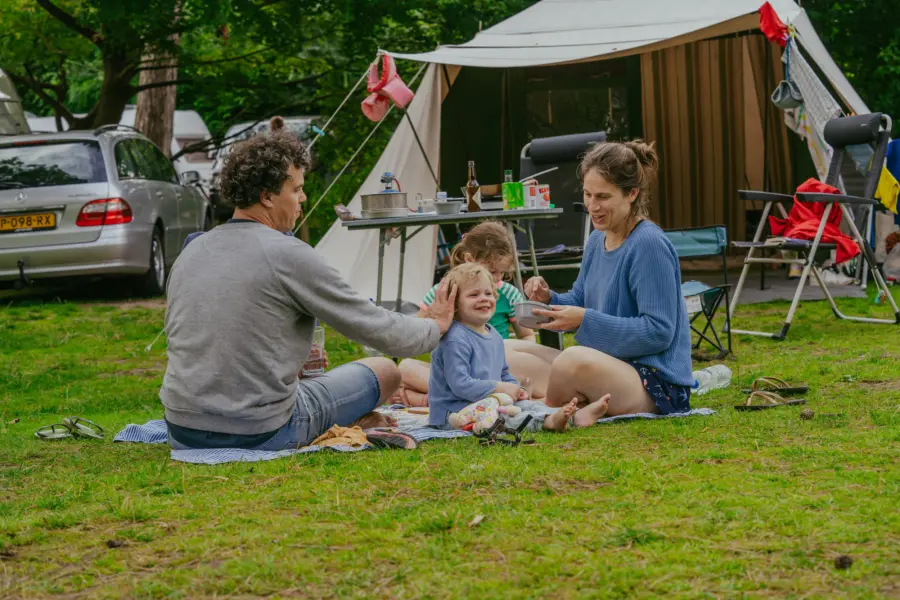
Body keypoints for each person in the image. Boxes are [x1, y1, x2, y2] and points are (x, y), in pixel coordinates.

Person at [160, 126, 456, 450]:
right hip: (262, 429)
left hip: (182, 427)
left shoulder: (192, 250)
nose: (303, 198)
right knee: (386, 371)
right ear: (267, 197)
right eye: (296, 189)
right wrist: (433, 326)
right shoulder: (287, 254)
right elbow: (374, 327)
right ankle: (345, 419)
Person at [513, 140, 694, 416]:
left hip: (655, 382)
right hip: (608, 365)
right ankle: (570, 403)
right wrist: (548, 299)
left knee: (572, 359)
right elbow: (579, 300)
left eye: (603, 197)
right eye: (587, 195)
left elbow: (659, 332)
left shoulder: (649, 245)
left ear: (632, 193)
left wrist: (584, 320)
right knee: (505, 350)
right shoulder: (597, 239)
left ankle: (546, 412)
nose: (592, 206)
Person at [428, 263, 608, 432]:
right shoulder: (455, 339)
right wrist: (499, 388)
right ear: (455, 303)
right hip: (453, 414)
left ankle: (573, 417)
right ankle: (548, 422)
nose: (483, 299)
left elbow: (504, 372)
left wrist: (516, 389)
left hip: (489, 401)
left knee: (525, 405)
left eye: (488, 293)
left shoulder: (494, 335)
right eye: (474, 295)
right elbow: (460, 385)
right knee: (500, 416)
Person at [397, 221, 538, 407]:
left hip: (494, 369)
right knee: (405, 367)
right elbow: (417, 336)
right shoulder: (441, 292)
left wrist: (505, 352)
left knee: (522, 380)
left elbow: (527, 335)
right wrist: (434, 320)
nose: (496, 278)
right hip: (455, 370)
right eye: (492, 271)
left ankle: (429, 399)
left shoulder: (509, 294)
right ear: (470, 259)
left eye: (502, 273)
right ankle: (446, 398)